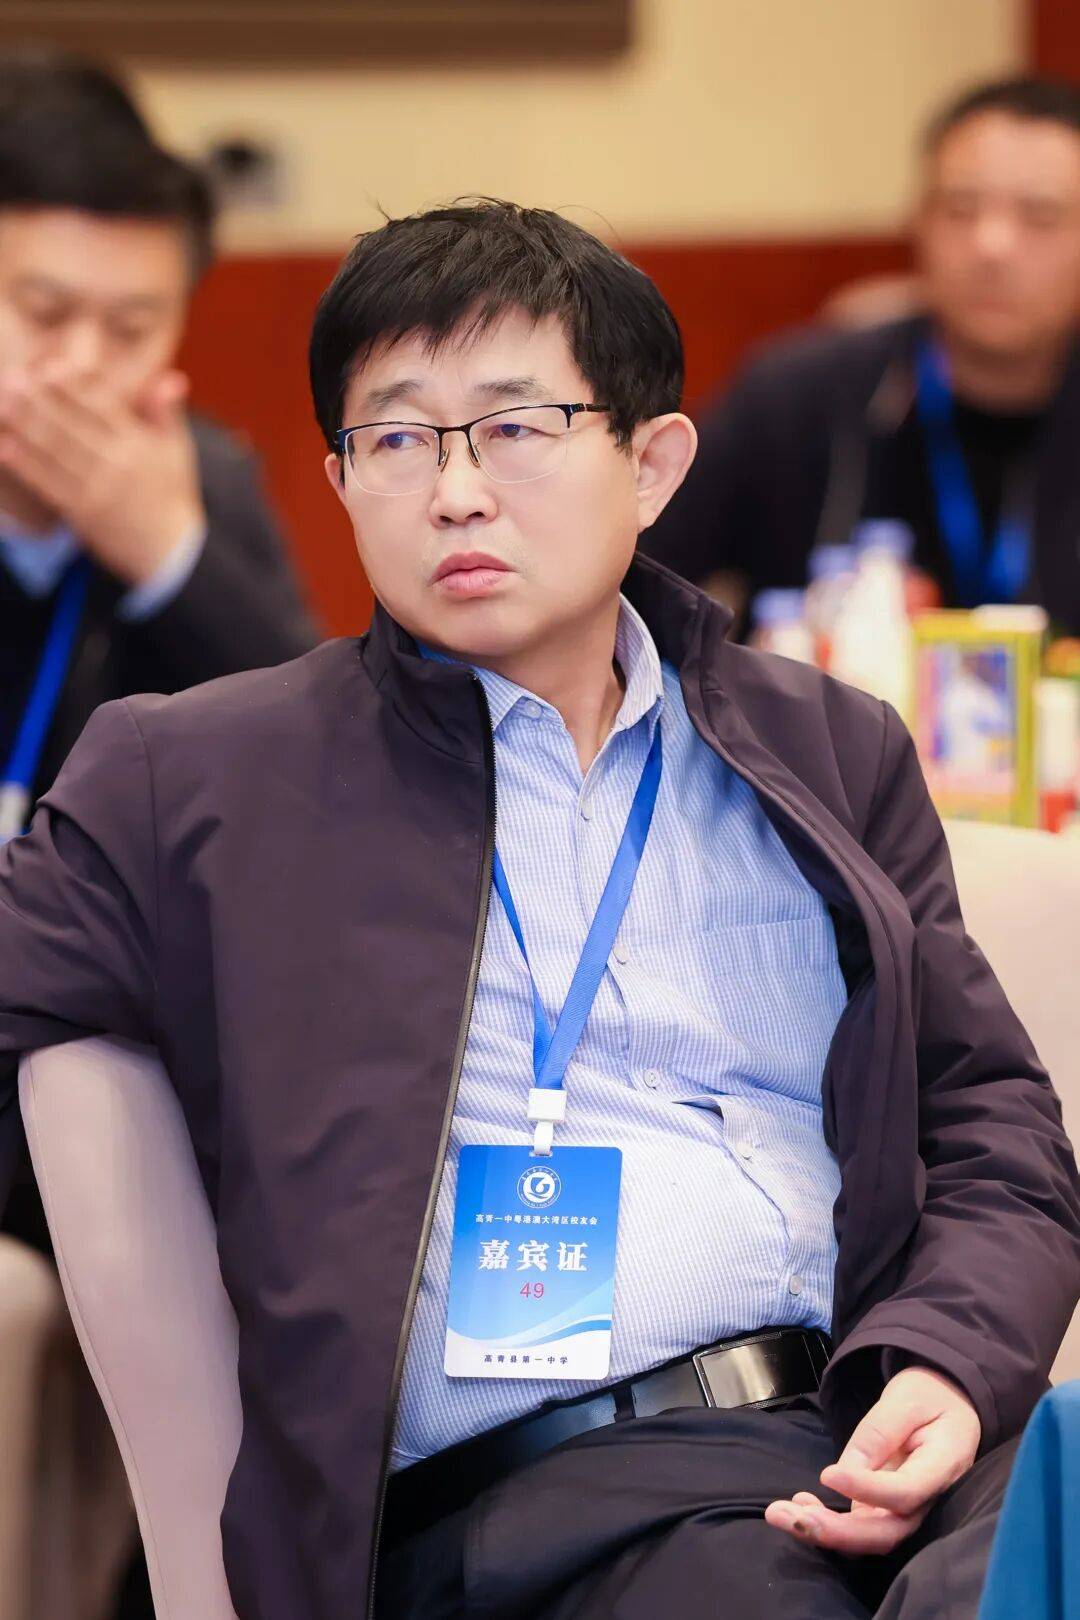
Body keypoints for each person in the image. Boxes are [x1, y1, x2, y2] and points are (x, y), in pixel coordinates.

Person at [0, 200, 1077, 1620]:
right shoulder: (196, 778)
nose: (455, 492)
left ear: (653, 464)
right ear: (339, 481)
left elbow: (992, 1125)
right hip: (543, 1497)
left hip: (866, 1437)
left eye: (517, 427)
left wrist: (948, 1361)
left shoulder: (828, 747)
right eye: (397, 439)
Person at [0, 46, 318, 840]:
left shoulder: (205, 481)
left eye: (131, 328)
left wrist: (173, 559)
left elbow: (324, 763)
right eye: (44, 314)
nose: (82, 364)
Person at [642, 77, 1080, 637]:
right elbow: (637, 571)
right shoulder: (796, 396)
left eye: (1040, 217)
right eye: (961, 208)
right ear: (918, 220)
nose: (991, 245)